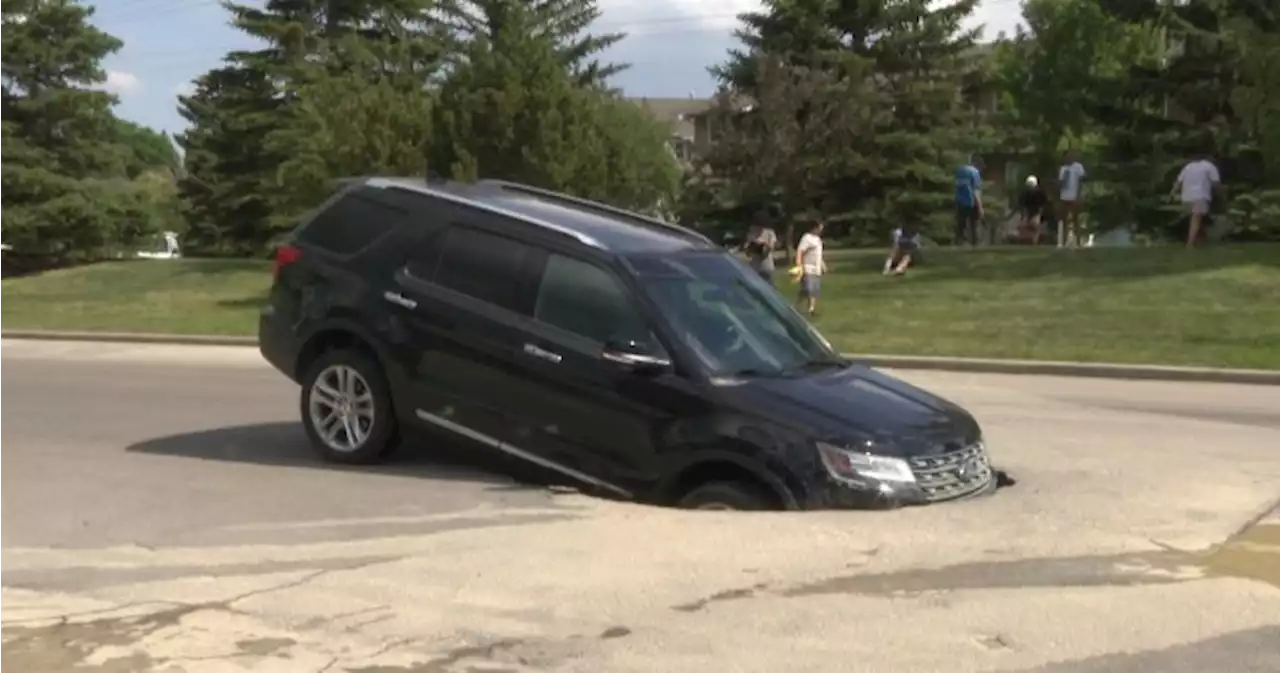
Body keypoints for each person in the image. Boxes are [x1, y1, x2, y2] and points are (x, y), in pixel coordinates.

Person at [1171, 152, 1222, 248]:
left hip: (1186, 197)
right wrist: (1221, 193)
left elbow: (1178, 183)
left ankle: (1198, 239)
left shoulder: (1188, 167)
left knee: (1195, 218)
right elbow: (1215, 182)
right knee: (1196, 218)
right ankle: (1190, 243)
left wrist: (1173, 194)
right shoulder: (1209, 166)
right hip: (1200, 195)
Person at [794, 221, 826, 316]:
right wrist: (799, 264)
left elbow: (818, 254)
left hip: (816, 268)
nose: (821, 230)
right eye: (819, 228)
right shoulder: (806, 238)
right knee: (807, 289)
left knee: (814, 290)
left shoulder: (818, 239)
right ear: (814, 228)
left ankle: (811, 309)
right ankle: (796, 306)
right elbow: (800, 251)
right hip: (807, 267)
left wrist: (822, 264)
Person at [1057, 150, 1087, 247]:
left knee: (1075, 218)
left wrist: (1078, 195)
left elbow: (1081, 181)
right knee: (1064, 219)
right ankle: (1064, 241)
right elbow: (1061, 182)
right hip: (1064, 195)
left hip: (1074, 195)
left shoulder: (1078, 167)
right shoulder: (1063, 169)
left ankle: (1078, 241)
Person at [954, 155, 983, 246]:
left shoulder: (960, 170)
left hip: (960, 201)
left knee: (961, 225)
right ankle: (975, 243)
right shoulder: (975, 172)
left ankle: (960, 242)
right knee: (974, 224)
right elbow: (976, 191)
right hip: (971, 202)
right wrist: (980, 207)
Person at [743, 214, 779, 283]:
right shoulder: (751, 233)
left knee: (769, 285)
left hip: (767, 265)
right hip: (755, 266)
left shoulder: (770, 233)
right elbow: (747, 253)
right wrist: (750, 246)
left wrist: (764, 244)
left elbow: (772, 247)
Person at [1019, 175, 1049, 244]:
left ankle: (1035, 239)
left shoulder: (1039, 192)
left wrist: (1041, 209)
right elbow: (1023, 202)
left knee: (1035, 225)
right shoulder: (1025, 193)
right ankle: (1032, 239)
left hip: (1037, 210)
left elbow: (1043, 201)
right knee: (1030, 224)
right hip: (1029, 210)